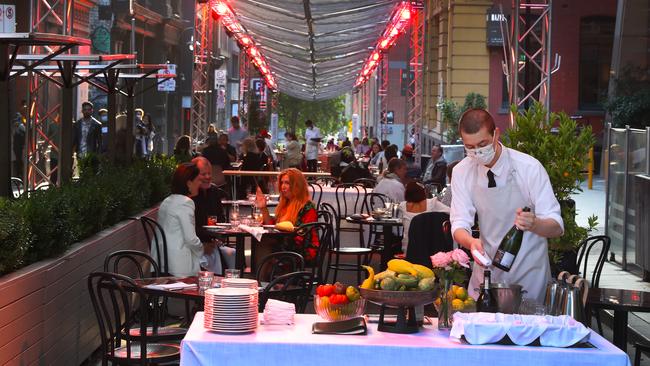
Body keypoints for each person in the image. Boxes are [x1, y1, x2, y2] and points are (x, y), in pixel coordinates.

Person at [450, 109, 563, 302]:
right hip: (486, 270)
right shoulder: (462, 171)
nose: (477, 152)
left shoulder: (529, 167)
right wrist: (471, 243)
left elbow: (557, 226)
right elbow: (459, 223)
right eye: (470, 147)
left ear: (496, 134)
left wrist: (534, 224)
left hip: (528, 273)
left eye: (482, 144)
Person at [154, 162, 216, 277]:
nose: (200, 183)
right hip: (178, 263)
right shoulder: (185, 203)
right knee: (212, 262)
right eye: (198, 180)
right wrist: (202, 249)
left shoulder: (167, 201)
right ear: (188, 183)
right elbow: (190, 239)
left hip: (160, 259)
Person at [256, 168, 319, 262]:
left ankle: (269, 275)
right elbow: (272, 226)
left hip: (304, 250)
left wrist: (279, 240)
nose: (283, 187)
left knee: (265, 244)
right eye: (282, 183)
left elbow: (302, 238)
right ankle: (269, 275)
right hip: (287, 244)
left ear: (297, 185)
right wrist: (263, 208)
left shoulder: (307, 208)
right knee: (261, 241)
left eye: (287, 183)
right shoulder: (285, 204)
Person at [191, 157, 235, 275]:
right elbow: (189, 229)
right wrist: (202, 245)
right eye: (203, 174)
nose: (207, 177)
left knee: (233, 257)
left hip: (211, 243)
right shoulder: (188, 197)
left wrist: (216, 236)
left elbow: (221, 219)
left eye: (209, 173)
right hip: (193, 248)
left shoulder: (214, 192)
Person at [399, 182, 450, 253]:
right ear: (423, 192)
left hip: (409, 248)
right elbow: (450, 212)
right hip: (431, 247)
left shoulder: (403, 206)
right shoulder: (432, 203)